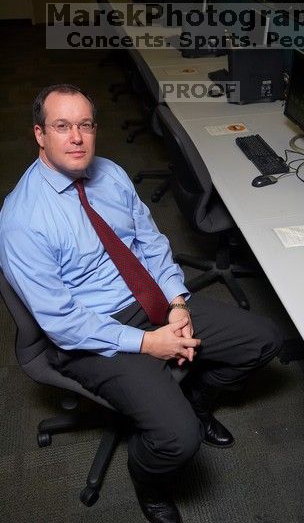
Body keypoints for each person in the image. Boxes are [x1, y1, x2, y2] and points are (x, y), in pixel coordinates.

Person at [0, 84, 282, 523]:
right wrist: (148, 343)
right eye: (61, 126)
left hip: (152, 301)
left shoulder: (110, 174)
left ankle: (199, 403)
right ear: (39, 134)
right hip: (91, 331)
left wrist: (177, 302)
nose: (76, 137)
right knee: (177, 439)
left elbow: (150, 243)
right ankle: (148, 485)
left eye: (85, 125)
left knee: (263, 340)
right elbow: (62, 321)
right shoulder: (22, 219)